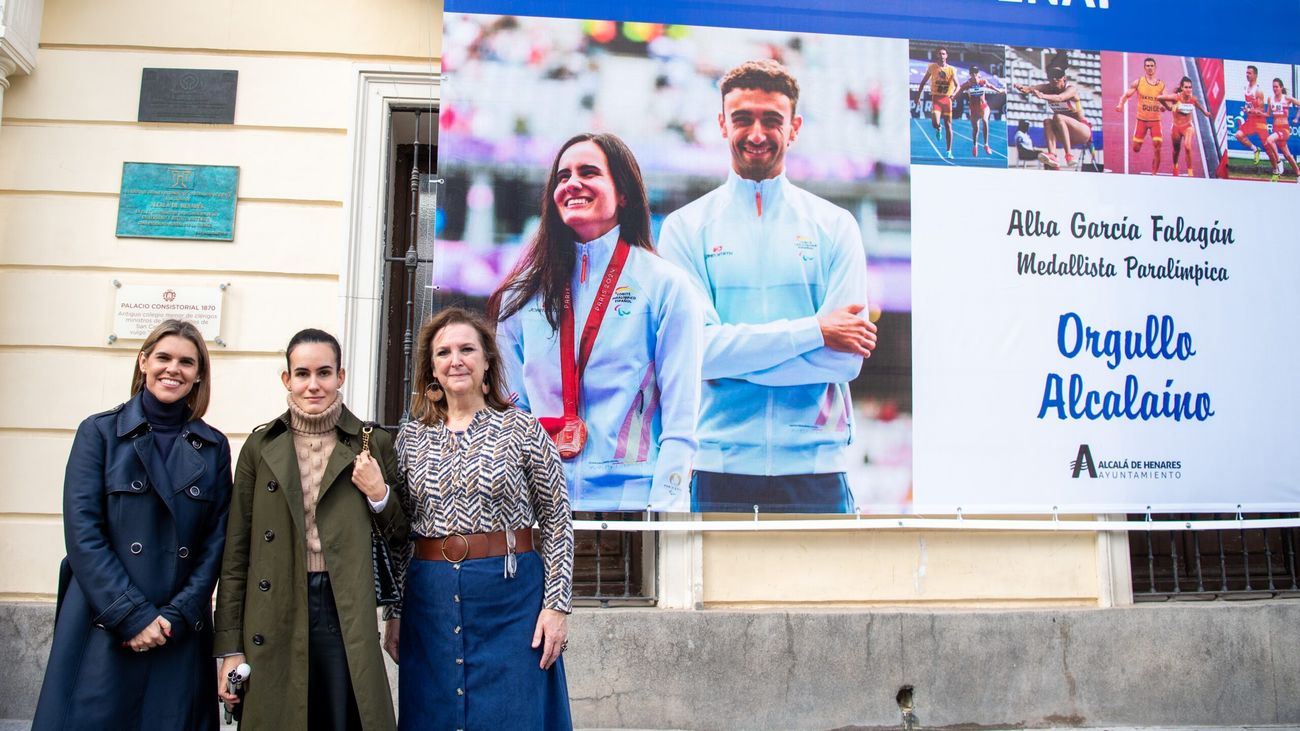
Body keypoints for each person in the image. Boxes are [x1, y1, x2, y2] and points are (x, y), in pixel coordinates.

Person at [658, 59, 877, 514]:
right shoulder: (684, 228)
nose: (756, 133)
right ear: (722, 123)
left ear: (793, 127)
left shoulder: (836, 225)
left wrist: (732, 356)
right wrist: (815, 332)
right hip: (720, 466)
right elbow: (697, 354)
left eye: (771, 120)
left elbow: (844, 361)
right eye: (742, 118)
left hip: (817, 468)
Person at [33, 319, 232, 731]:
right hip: (104, 626)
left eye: (186, 362)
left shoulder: (213, 447)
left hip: (176, 631)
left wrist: (175, 617)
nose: (173, 369)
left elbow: (217, 542)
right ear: (143, 361)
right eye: (163, 357)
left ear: (198, 376)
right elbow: (84, 534)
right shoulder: (99, 433)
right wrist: (133, 617)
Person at [490, 132, 704, 512]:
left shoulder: (666, 287)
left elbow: (680, 422)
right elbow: (510, 417)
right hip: (543, 509)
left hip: (631, 505)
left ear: (623, 192)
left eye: (589, 172)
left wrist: (665, 515)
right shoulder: (520, 295)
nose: (572, 183)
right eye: (562, 176)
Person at [391, 307, 574, 729]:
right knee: (434, 714)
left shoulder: (523, 429)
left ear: (488, 360)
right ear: (431, 367)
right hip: (430, 604)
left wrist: (557, 608)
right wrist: (394, 611)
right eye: (444, 352)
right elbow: (399, 534)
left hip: (512, 602)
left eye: (467, 349)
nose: (456, 360)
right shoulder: (411, 436)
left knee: (514, 714)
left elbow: (558, 523)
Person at [214, 329, 406, 730]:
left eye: (324, 372)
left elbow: (401, 536)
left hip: (344, 603)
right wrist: (230, 648)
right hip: (275, 603)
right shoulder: (260, 446)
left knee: (343, 715)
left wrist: (379, 494)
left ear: (341, 376)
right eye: (302, 373)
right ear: (287, 379)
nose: (313, 384)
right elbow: (236, 554)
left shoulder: (373, 443)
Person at [1015, 66, 1092, 170]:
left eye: (1057, 78)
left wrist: (1042, 96)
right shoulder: (1047, 88)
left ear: (1064, 78)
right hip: (1064, 133)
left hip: (1082, 131)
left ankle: (1069, 155)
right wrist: (1020, 87)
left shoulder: (1071, 89)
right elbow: (1028, 89)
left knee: (1058, 116)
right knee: (1047, 121)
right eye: (1051, 78)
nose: (1054, 81)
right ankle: (1053, 157)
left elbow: (1060, 97)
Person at [1115, 57, 1168, 174]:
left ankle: (1154, 173)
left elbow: (1167, 100)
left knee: (1158, 145)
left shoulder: (1161, 85)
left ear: (1155, 68)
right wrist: (1120, 104)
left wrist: (1164, 107)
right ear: (1144, 68)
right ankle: (1138, 143)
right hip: (1141, 121)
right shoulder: (1138, 82)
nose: (1150, 68)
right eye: (1147, 66)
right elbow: (1126, 95)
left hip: (1155, 121)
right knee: (1136, 148)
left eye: (1151, 66)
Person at [1155, 76, 1211, 177]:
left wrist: (1205, 112)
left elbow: (1197, 105)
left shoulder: (1192, 99)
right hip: (1176, 128)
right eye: (1186, 87)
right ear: (1181, 88)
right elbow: (1159, 98)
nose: (1188, 89)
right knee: (1176, 150)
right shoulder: (1176, 98)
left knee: (1187, 146)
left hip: (1188, 127)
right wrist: (1168, 107)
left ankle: (1190, 173)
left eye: (1190, 87)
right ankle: (1175, 166)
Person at [915, 47, 959, 159]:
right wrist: (918, 96)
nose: (942, 55)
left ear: (947, 55)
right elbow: (923, 82)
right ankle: (938, 128)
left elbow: (958, 86)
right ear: (937, 56)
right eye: (940, 54)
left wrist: (954, 94)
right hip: (936, 99)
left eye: (944, 53)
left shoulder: (952, 70)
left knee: (949, 125)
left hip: (947, 99)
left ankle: (949, 151)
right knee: (935, 122)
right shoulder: (932, 67)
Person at [1234, 64, 1274, 169]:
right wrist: (1246, 109)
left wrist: (1250, 110)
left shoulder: (1258, 91)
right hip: (1251, 120)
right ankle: (1255, 149)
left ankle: (1276, 168)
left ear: (1255, 75)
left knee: (1267, 147)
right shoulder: (1245, 88)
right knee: (1238, 135)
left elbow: (1261, 110)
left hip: (1260, 121)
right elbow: (1249, 105)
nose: (1247, 75)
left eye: (1249, 73)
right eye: (1246, 73)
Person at [1266, 77, 1300, 179]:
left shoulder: (1287, 98)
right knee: (1288, 155)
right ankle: (1298, 174)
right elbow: (1268, 114)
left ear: (1281, 88)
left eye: (1276, 87)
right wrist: (1255, 112)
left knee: (1269, 140)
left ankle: (1278, 161)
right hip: (1276, 129)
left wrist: (1296, 118)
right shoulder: (1270, 99)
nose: (1275, 89)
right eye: (1273, 87)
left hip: (1284, 129)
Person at [957, 65, 995, 157]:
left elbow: (990, 86)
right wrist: (953, 97)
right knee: (976, 129)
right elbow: (960, 89)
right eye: (972, 73)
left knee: (985, 121)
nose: (974, 75)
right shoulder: (968, 83)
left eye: (976, 73)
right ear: (970, 74)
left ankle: (986, 145)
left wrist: (1000, 90)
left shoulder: (983, 81)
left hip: (984, 106)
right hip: (974, 108)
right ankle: (975, 146)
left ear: (978, 73)